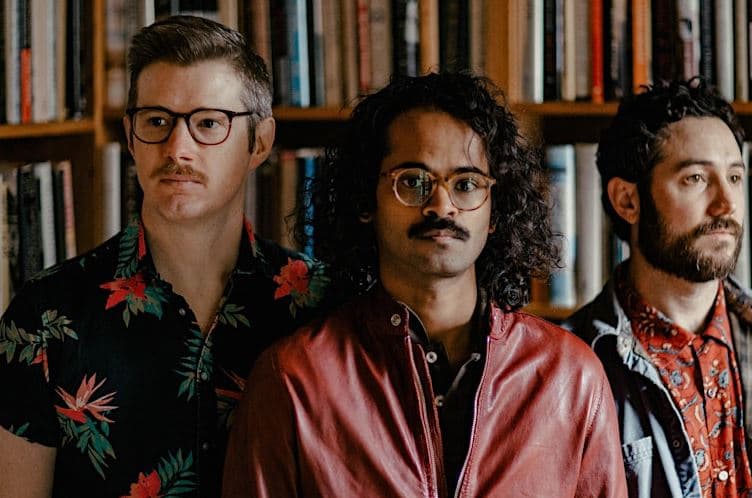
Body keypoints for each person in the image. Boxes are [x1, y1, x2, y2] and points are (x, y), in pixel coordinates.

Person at [222, 72, 628, 497]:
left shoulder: (571, 377)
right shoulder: (294, 380)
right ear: (365, 201)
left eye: (467, 184)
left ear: (494, 212)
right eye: (413, 181)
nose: (442, 205)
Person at [0, 16, 328, 498]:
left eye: (209, 123)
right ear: (131, 136)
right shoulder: (44, 318)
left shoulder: (321, 305)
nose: (179, 148)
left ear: (259, 141)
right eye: (157, 121)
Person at [563, 79, 752, 498]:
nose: (727, 204)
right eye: (695, 179)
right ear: (627, 201)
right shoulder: (568, 370)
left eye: (735, 177)